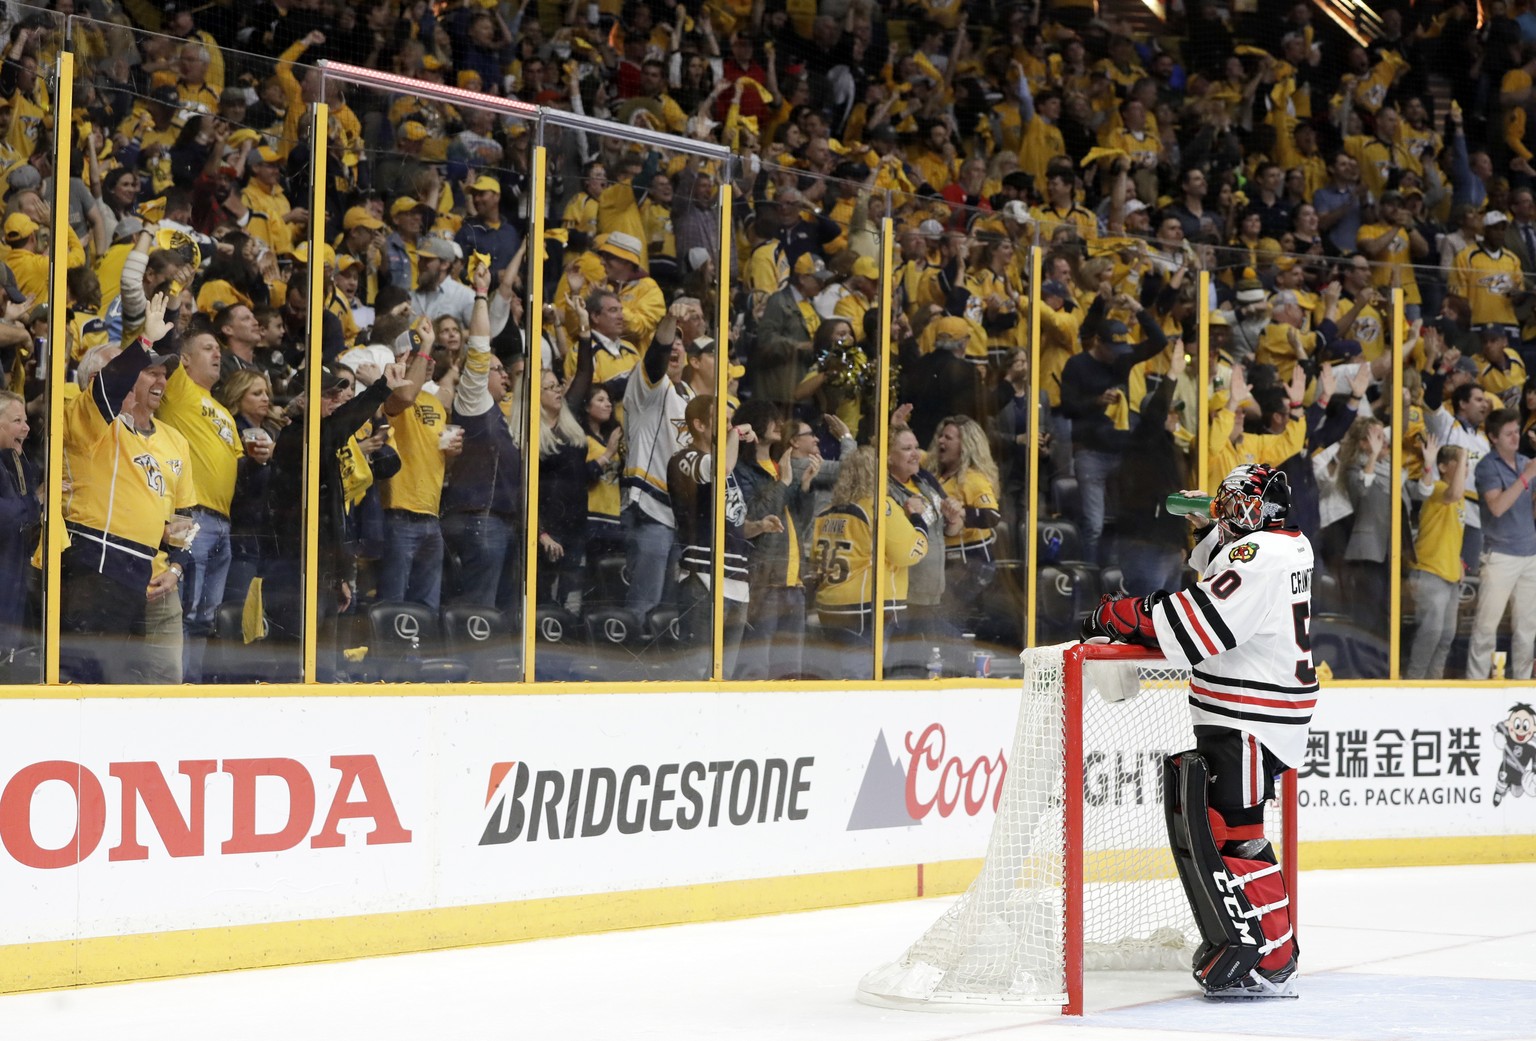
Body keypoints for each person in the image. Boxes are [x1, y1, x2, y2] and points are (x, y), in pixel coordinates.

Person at [1082, 463, 1311, 999]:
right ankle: (1258, 946)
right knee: (1226, 827)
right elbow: (1226, 571)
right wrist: (1211, 527)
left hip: (1249, 715)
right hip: (1251, 710)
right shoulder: (1286, 544)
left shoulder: (1261, 555)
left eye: (1231, 509)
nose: (1226, 518)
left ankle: (1272, 956)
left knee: (1237, 832)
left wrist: (1122, 614)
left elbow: (1200, 621)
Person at [59, 295, 193, 684]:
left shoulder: (168, 438)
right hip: (98, 565)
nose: (152, 378)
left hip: (145, 572)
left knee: (143, 685)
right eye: (141, 370)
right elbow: (110, 385)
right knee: (95, 684)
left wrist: (178, 566)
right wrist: (143, 344)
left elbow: (185, 517)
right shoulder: (85, 419)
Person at [811, 445, 928, 678]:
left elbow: (815, 559)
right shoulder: (878, 505)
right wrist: (918, 520)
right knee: (860, 682)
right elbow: (909, 551)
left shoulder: (827, 511)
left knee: (838, 678)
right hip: (865, 608)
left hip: (829, 605)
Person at [1467, 409, 1536, 680]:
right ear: (1493, 438)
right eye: (1508, 434)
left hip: (1530, 552)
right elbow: (1497, 507)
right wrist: (1525, 477)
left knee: (1527, 626)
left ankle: (1522, 684)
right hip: (1500, 555)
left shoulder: (1524, 461)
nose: (1515, 437)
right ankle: (1475, 683)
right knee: (1486, 626)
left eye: (1517, 431)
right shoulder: (1487, 466)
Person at [1407, 442, 1468, 680]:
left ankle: (1435, 683)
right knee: (1430, 632)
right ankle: (1414, 682)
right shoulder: (1438, 488)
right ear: (1443, 467)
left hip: (1450, 574)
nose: (1465, 467)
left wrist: (1458, 561)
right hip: (1431, 571)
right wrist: (1464, 453)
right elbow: (1453, 493)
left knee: (1446, 636)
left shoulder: (1460, 498)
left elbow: (1450, 533)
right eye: (1459, 462)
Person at [0, 389, 40, 669]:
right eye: (17, 421)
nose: (26, 427)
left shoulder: (17, 465)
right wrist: (37, 499)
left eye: (25, 420)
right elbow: (8, 519)